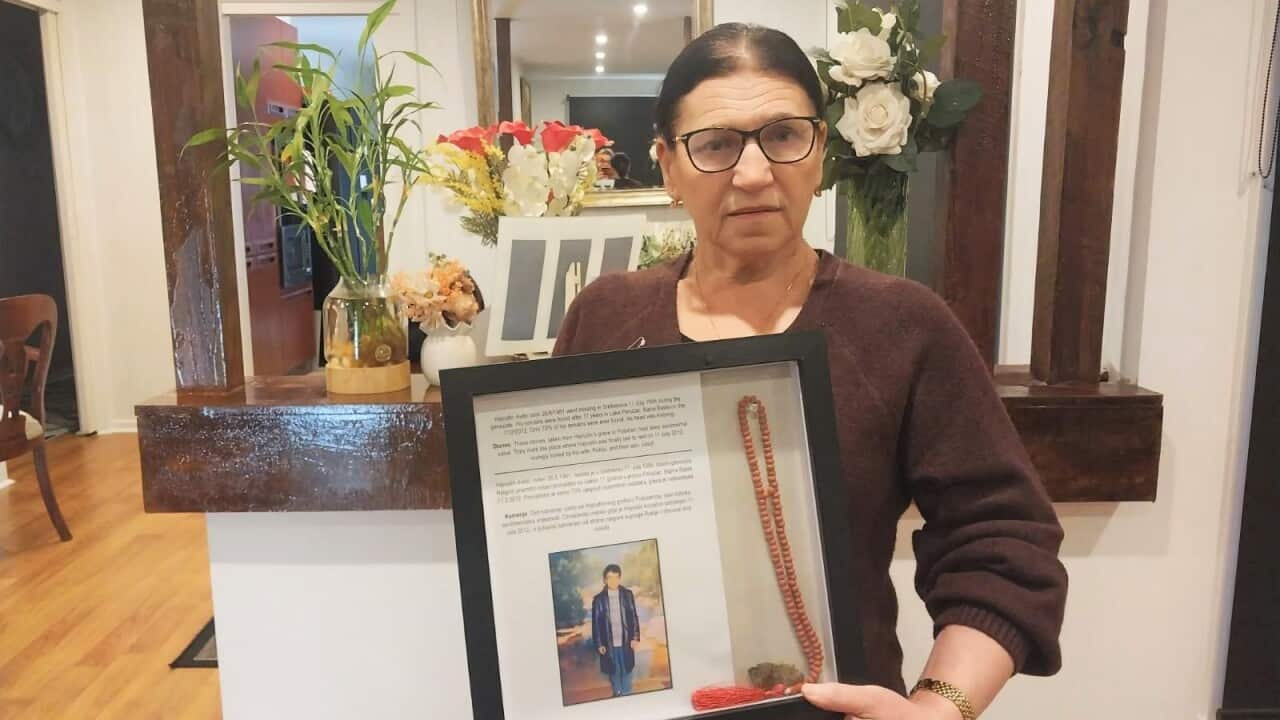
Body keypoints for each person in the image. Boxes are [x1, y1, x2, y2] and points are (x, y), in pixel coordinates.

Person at [554, 23, 1067, 719]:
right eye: (715, 145)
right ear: (668, 166)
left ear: (820, 150)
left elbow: (1001, 540)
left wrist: (940, 706)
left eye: (784, 135)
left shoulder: (902, 325)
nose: (754, 172)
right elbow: (557, 531)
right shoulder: (606, 319)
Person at [591, 564, 641, 698]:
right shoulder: (598, 600)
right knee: (613, 669)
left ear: (620, 578)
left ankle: (627, 692)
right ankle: (618, 692)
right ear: (605, 580)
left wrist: (635, 637)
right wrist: (599, 643)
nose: (613, 581)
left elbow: (634, 616)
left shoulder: (627, 595)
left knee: (627, 667)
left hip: (625, 640)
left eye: (615, 578)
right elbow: (595, 624)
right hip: (609, 642)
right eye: (609, 578)